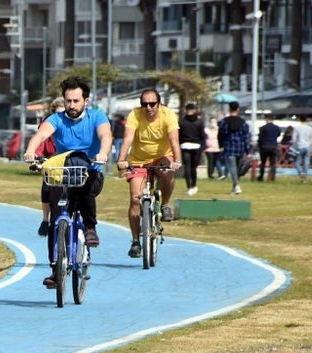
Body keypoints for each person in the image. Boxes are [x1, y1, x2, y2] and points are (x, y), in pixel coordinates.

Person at [25, 76, 112, 288]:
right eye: (68, 101)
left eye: (76, 101)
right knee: (56, 221)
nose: (71, 105)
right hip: (63, 174)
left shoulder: (97, 117)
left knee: (85, 187)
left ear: (85, 101)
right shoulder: (57, 119)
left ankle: (90, 227)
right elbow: (41, 134)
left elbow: (106, 136)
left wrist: (102, 153)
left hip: (90, 171)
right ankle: (56, 270)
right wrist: (30, 150)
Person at [116, 89, 181, 258]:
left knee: (167, 173)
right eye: (145, 104)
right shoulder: (135, 115)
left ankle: (165, 204)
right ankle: (136, 241)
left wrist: (177, 160)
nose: (149, 107)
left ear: (159, 104)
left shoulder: (168, 115)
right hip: (139, 160)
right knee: (135, 198)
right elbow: (128, 139)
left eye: (152, 104)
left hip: (162, 156)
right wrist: (122, 160)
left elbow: (174, 140)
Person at [34, 96, 64, 237]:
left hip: (70, 166)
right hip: (52, 167)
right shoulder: (47, 126)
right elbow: (40, 144)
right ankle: (45, 219)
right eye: (58, 113)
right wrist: (36, 158)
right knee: (46, 186)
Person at [218, 101, 251, 194]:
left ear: (229, 109)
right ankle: (236, 186)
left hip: (229, 147)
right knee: (238, 168)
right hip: (240, 148)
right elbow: (246, 137)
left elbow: (221, 135)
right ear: (238, 109)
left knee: (232, 167)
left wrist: (221, 145)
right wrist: (248, 150)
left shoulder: (224, 122)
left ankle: (236, 186)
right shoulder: (243, 122)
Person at [178, 103, 206, 195]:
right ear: (194, 110)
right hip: (196, 146)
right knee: (194, 168)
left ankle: (189, 187)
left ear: (186, 110)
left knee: (187, 167)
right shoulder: (199, 122)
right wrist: (203, 146)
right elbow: (202, 135)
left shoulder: (182, 122)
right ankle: (194, 185)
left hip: (185, 145)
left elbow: (179, 135)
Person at [257, 113, 280, 182]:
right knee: (273, 163)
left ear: (266, 119)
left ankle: (261, 177)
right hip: (273, 146)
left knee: (263, 163)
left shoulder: (263, 128)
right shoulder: (276, 128)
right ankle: (272, 178)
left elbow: (260, 139)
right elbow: (278, 135)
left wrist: (259, 146)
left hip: (264, 146)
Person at [291, 114, 312, 183]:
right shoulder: (309, 128)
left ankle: (301, 172)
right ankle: (305, 176)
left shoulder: (297, 128)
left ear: (300, 120)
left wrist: (294, 145)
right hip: (307, 146)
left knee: (297, 162)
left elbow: (294, 139)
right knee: (306, 162)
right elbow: (311, 138)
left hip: (300, 146)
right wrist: (311, 146)